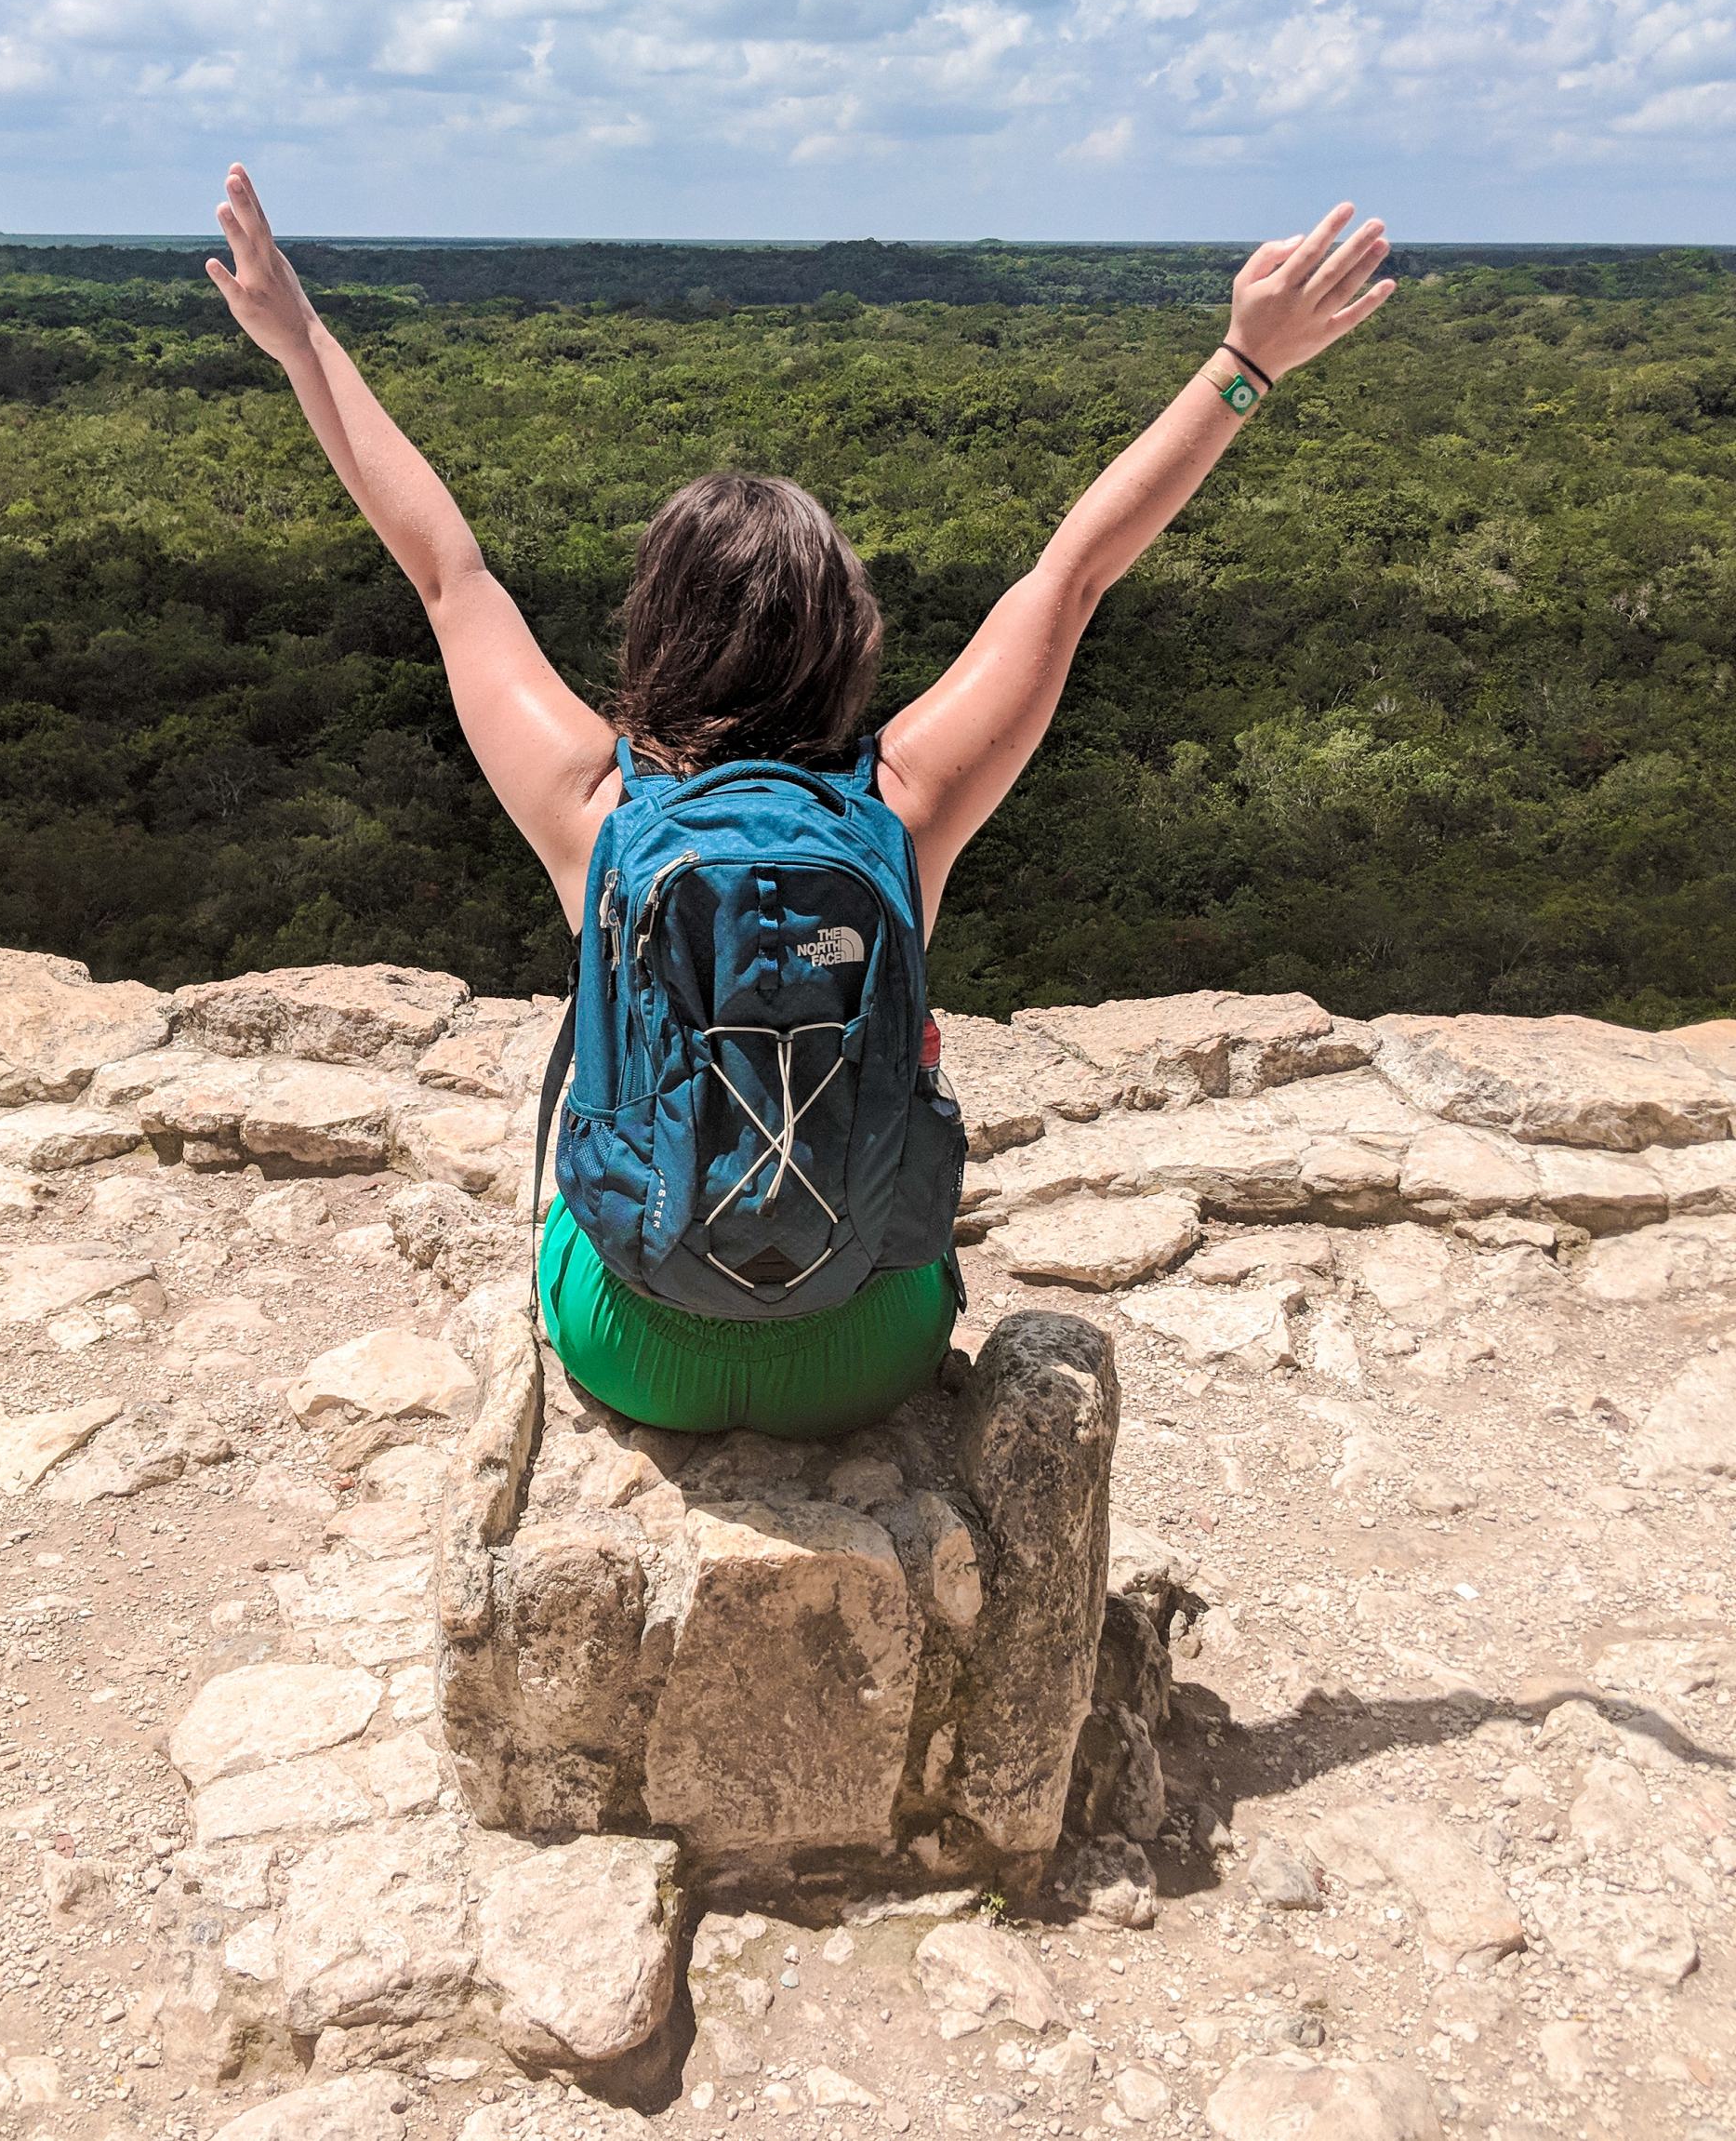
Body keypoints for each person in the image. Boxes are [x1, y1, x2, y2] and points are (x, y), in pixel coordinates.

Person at [205, 165, 1394, 1438]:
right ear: (847, 637)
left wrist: (302, 336)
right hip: (864, 1348)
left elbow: (445, 570)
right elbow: (1076, 572)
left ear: (656, 631)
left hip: (634, 1345)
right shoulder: (903, 804)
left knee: (572, 1193)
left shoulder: (598, 810)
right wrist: (1242, 362)